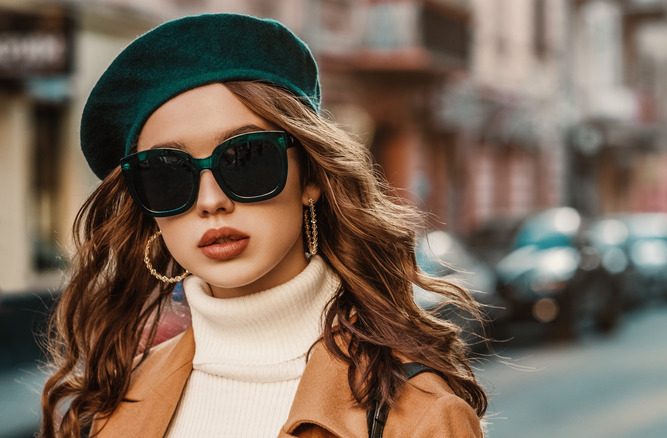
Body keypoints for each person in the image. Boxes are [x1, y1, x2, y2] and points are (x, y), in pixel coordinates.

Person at [40, 13, 487, 438]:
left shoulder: (421, 417)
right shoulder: (109, 408)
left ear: (310, 177)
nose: (211, 201)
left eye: (246, 158)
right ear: (148, 211)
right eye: (166, 174)